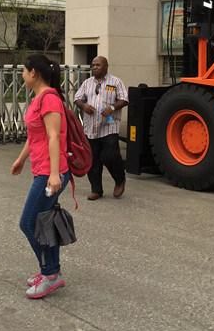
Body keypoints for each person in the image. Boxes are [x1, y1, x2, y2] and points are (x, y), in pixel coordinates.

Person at [11, 54, 72, 299]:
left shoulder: (49, 100)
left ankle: (50, 275)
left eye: (24, 71)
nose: (22, 76)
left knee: (29, 222)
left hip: (50, 173)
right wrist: (21, 159)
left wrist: (55, 175)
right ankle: (50, 272)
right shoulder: (38, 99)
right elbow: (34, 136)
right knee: (43, 222)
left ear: (33, 73)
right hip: (43, 170)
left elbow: (54, 137)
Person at [74, 56, 128, 200]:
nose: (94, 67)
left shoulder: (115, 82)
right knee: (92, 160)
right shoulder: (87, 83)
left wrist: (112, 107)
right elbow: (77, 98)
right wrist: (84, 106)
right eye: (93, 65)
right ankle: (96, 190)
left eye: (98, 65)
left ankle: (119, 180)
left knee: (109, 155)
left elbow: (124, 99)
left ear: (106, 67)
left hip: (109, 126)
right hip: (91, 128)